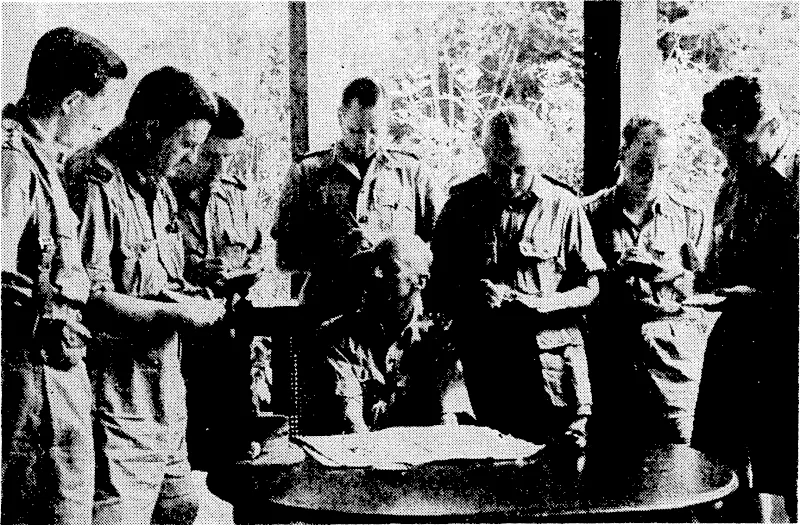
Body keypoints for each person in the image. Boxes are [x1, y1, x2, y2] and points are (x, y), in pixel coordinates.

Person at [68, 66, 226, 525]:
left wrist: (187, 293)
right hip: (114, 409)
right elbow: (90, 299)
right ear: (151, 127)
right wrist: (177, 314)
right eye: (185, 145)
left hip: (166, 406)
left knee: (180, 509)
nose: (192, 159)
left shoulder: (160, 191)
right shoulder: (92, 182)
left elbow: (154, 278)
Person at [1, 27, 127, 525]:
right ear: (73, 101)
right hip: (33, 384)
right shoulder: (15, 161)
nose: (99, 124)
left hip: (54, 376)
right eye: (99, 108)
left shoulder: (43, 160)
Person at [430, 105, 606, 447]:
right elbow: (434, 288)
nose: (510, 181)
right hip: (484, 369)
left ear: (537, 158)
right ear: (484, 156)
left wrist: (543, 304)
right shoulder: (459, 206)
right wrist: (468, 292)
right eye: (498, 169)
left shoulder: (564, 206)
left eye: (520, 170)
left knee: (560, 479)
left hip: (550, 368)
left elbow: (592, 286)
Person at [691, 75, 798, 523]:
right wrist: (696, 272)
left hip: (779, 345)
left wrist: (753, 294)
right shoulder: (731, 185)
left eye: (733, 144)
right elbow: (719, 267)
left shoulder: (789, 187)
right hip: (733, 338)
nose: (727, 156)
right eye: (720, 146)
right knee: (715, 462)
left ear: (762, 127)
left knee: (775, 467)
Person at [583, 116, 711, 445]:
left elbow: (704, 290)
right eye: (642, 165)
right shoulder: (588, 214)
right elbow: (573, 287)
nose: (651, 177)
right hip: (610, 367)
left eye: (662, 167)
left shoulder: (689, 215)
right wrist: (615, 274)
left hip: (671, 369)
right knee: (610, 475)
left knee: (680, 467)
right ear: (623, 156)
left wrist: (675, 277)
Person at [271, 77, 443, 319]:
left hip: (395, 317)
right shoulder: (306, 173)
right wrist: (334, 251)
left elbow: (438, 249)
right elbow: (284, 258)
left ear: (387, 121)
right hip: (327, 312)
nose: (365, 141)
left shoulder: (413, 173)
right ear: (341, 116)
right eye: (356, 131)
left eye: (374, 131)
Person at [171, 93, 268, 467]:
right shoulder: (162, 194)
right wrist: (195, 271)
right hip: (180, 339)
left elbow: (259, 251)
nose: (220, 167)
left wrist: (244, 271)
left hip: (230, 337)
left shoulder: (238, 194)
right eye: (212, 156)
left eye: (229, 158)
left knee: (236, 455)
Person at [309, 234, 454, 434]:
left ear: (420, 281)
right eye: (374, 266)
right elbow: (352, 427)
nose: (375, 274)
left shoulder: (441, 338)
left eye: (389, 268)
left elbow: (449, 422)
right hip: (362, 457)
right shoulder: (337, 336)